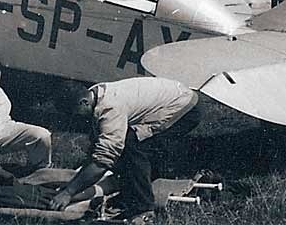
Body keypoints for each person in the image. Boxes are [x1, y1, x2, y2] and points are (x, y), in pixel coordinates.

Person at [49, 77, 201, 224]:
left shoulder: (110, 108)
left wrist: (68, 192)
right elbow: (100, 142)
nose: (74, 118)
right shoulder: (95, 93)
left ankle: (143, 209)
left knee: (133, 147)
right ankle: (136, 184)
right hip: (174, 95)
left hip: (183, 107)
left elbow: (104, 159)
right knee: (127, 147)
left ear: (84, 102)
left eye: (73, 112)